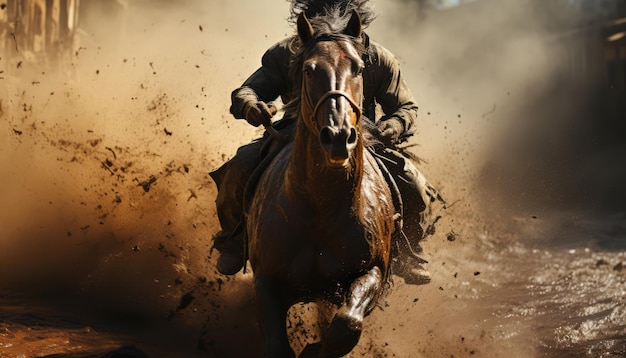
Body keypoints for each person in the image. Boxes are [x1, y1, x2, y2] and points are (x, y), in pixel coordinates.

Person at [210, 0, 444, 285]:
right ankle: (235, 240)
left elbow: (406, 107)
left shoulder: (379, 58)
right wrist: (251, 106)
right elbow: (248, 90)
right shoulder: (286, 53)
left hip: (361, 139)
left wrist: (393, 126)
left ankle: (408, 252)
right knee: (239, 167)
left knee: (414, 184)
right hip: (294, 136)